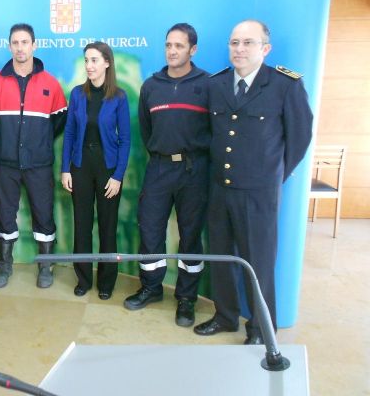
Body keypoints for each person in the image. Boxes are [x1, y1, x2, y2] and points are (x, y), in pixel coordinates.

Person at [193, 20, 313, 344]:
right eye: (234, 43)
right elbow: (209, 134)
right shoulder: (216, 85)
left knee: (258, 262)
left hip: (259, 193)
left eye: (248, 43)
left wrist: (274, 174)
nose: (240, 49)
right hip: (219, 187)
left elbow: (300, 137)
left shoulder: (284, 85)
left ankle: (260, 328)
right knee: (220, 256)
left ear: (265, 49)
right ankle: (225, 315)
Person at [123, 23, 210, 327]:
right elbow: (146, 129)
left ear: (192, 50)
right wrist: (161, 155)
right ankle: (151, 287)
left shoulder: (207, 85)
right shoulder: (152, 86)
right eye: (168, 45)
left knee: (190, 236)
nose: (172, 51)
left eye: (179, 46)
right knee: (150, 230)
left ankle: (186, 299)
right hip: (159, 167)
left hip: (194, 170)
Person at [0, 23, 67, 289]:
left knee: (44, 214)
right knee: (5, 215)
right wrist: (3, 143)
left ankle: (45, 265)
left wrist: (38, 144)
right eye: (15, 43)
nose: (20, 48)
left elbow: (58, 122)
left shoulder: (50, 84)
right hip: (6, 164)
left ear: (34, 45)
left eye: (25, 42)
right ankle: (4, 265)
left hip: (39, 164)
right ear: (10, 46)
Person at [61, 42, 131, 300]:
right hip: (80, 166)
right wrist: (65, 169)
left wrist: (118, 176)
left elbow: (125, 139)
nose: (89, 66)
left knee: (107, 226)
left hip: (108, 168)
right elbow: (69, 132)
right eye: (86, 60)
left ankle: (106, 281)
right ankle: (83, 278)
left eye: (94, 60)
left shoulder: (119, 97)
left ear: (107, 63)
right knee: (82, 225)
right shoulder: (78, 94)